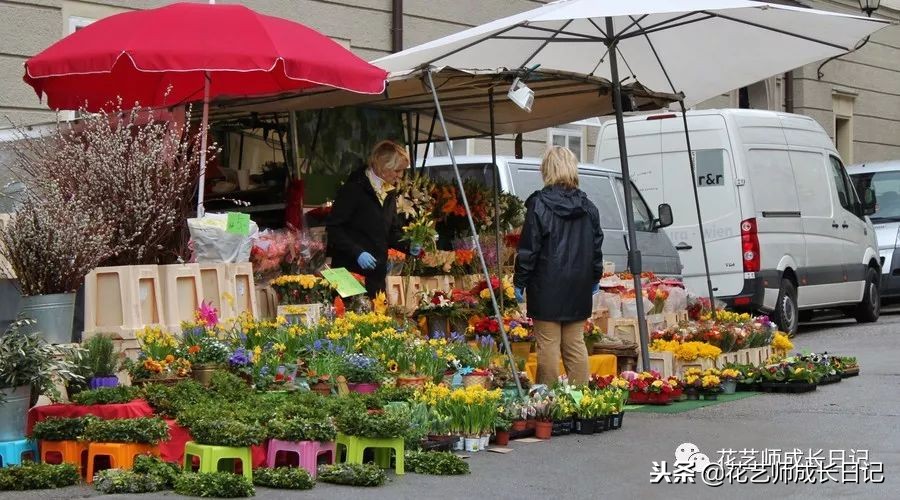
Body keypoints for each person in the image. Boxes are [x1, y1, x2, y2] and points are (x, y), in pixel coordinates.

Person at [513, 146, 604, 385]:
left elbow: (528, 249)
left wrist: (520, 281)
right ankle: (580, 397)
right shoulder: (588, 207)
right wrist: (595, 278)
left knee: (548, 346)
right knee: (575, 345)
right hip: (578, 286)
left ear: (547, 170)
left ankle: (549, 399)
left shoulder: (538, 204)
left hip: (546, 286)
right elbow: (596, 249)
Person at [326, 140, 418, 298]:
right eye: (397, 170)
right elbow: (334, 228)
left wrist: (409, 245)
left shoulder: (389, 193)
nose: (400, 176)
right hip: (349, 272)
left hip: (375, 274)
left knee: (376, 311)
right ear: (383, 166)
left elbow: (391, 231)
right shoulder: (354, 188)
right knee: (349, 312)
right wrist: (357, 252)